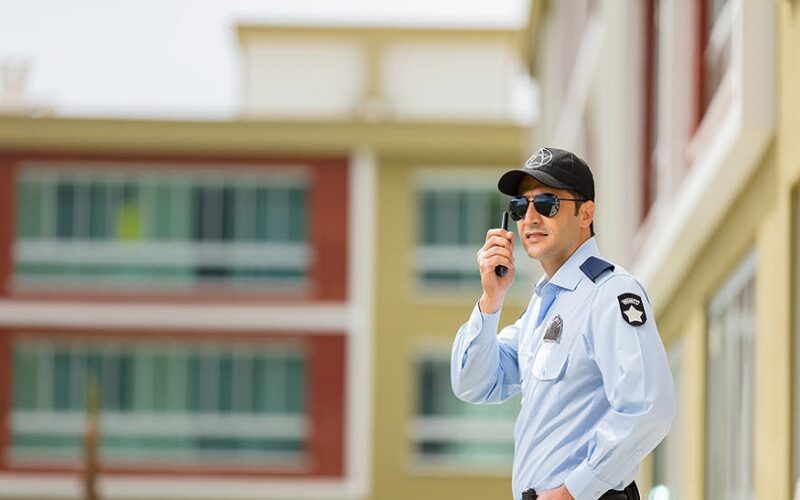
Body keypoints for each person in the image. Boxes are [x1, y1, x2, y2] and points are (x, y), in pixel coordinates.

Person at [450, 148, 675, 500]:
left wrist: (574, 491)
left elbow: (649, 407)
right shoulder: (542, 308)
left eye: (547, 203)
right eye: (521, 207)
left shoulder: (610, 293)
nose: (531, 218)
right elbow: (473, 383)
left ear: (586, 213)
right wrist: (491, 300)